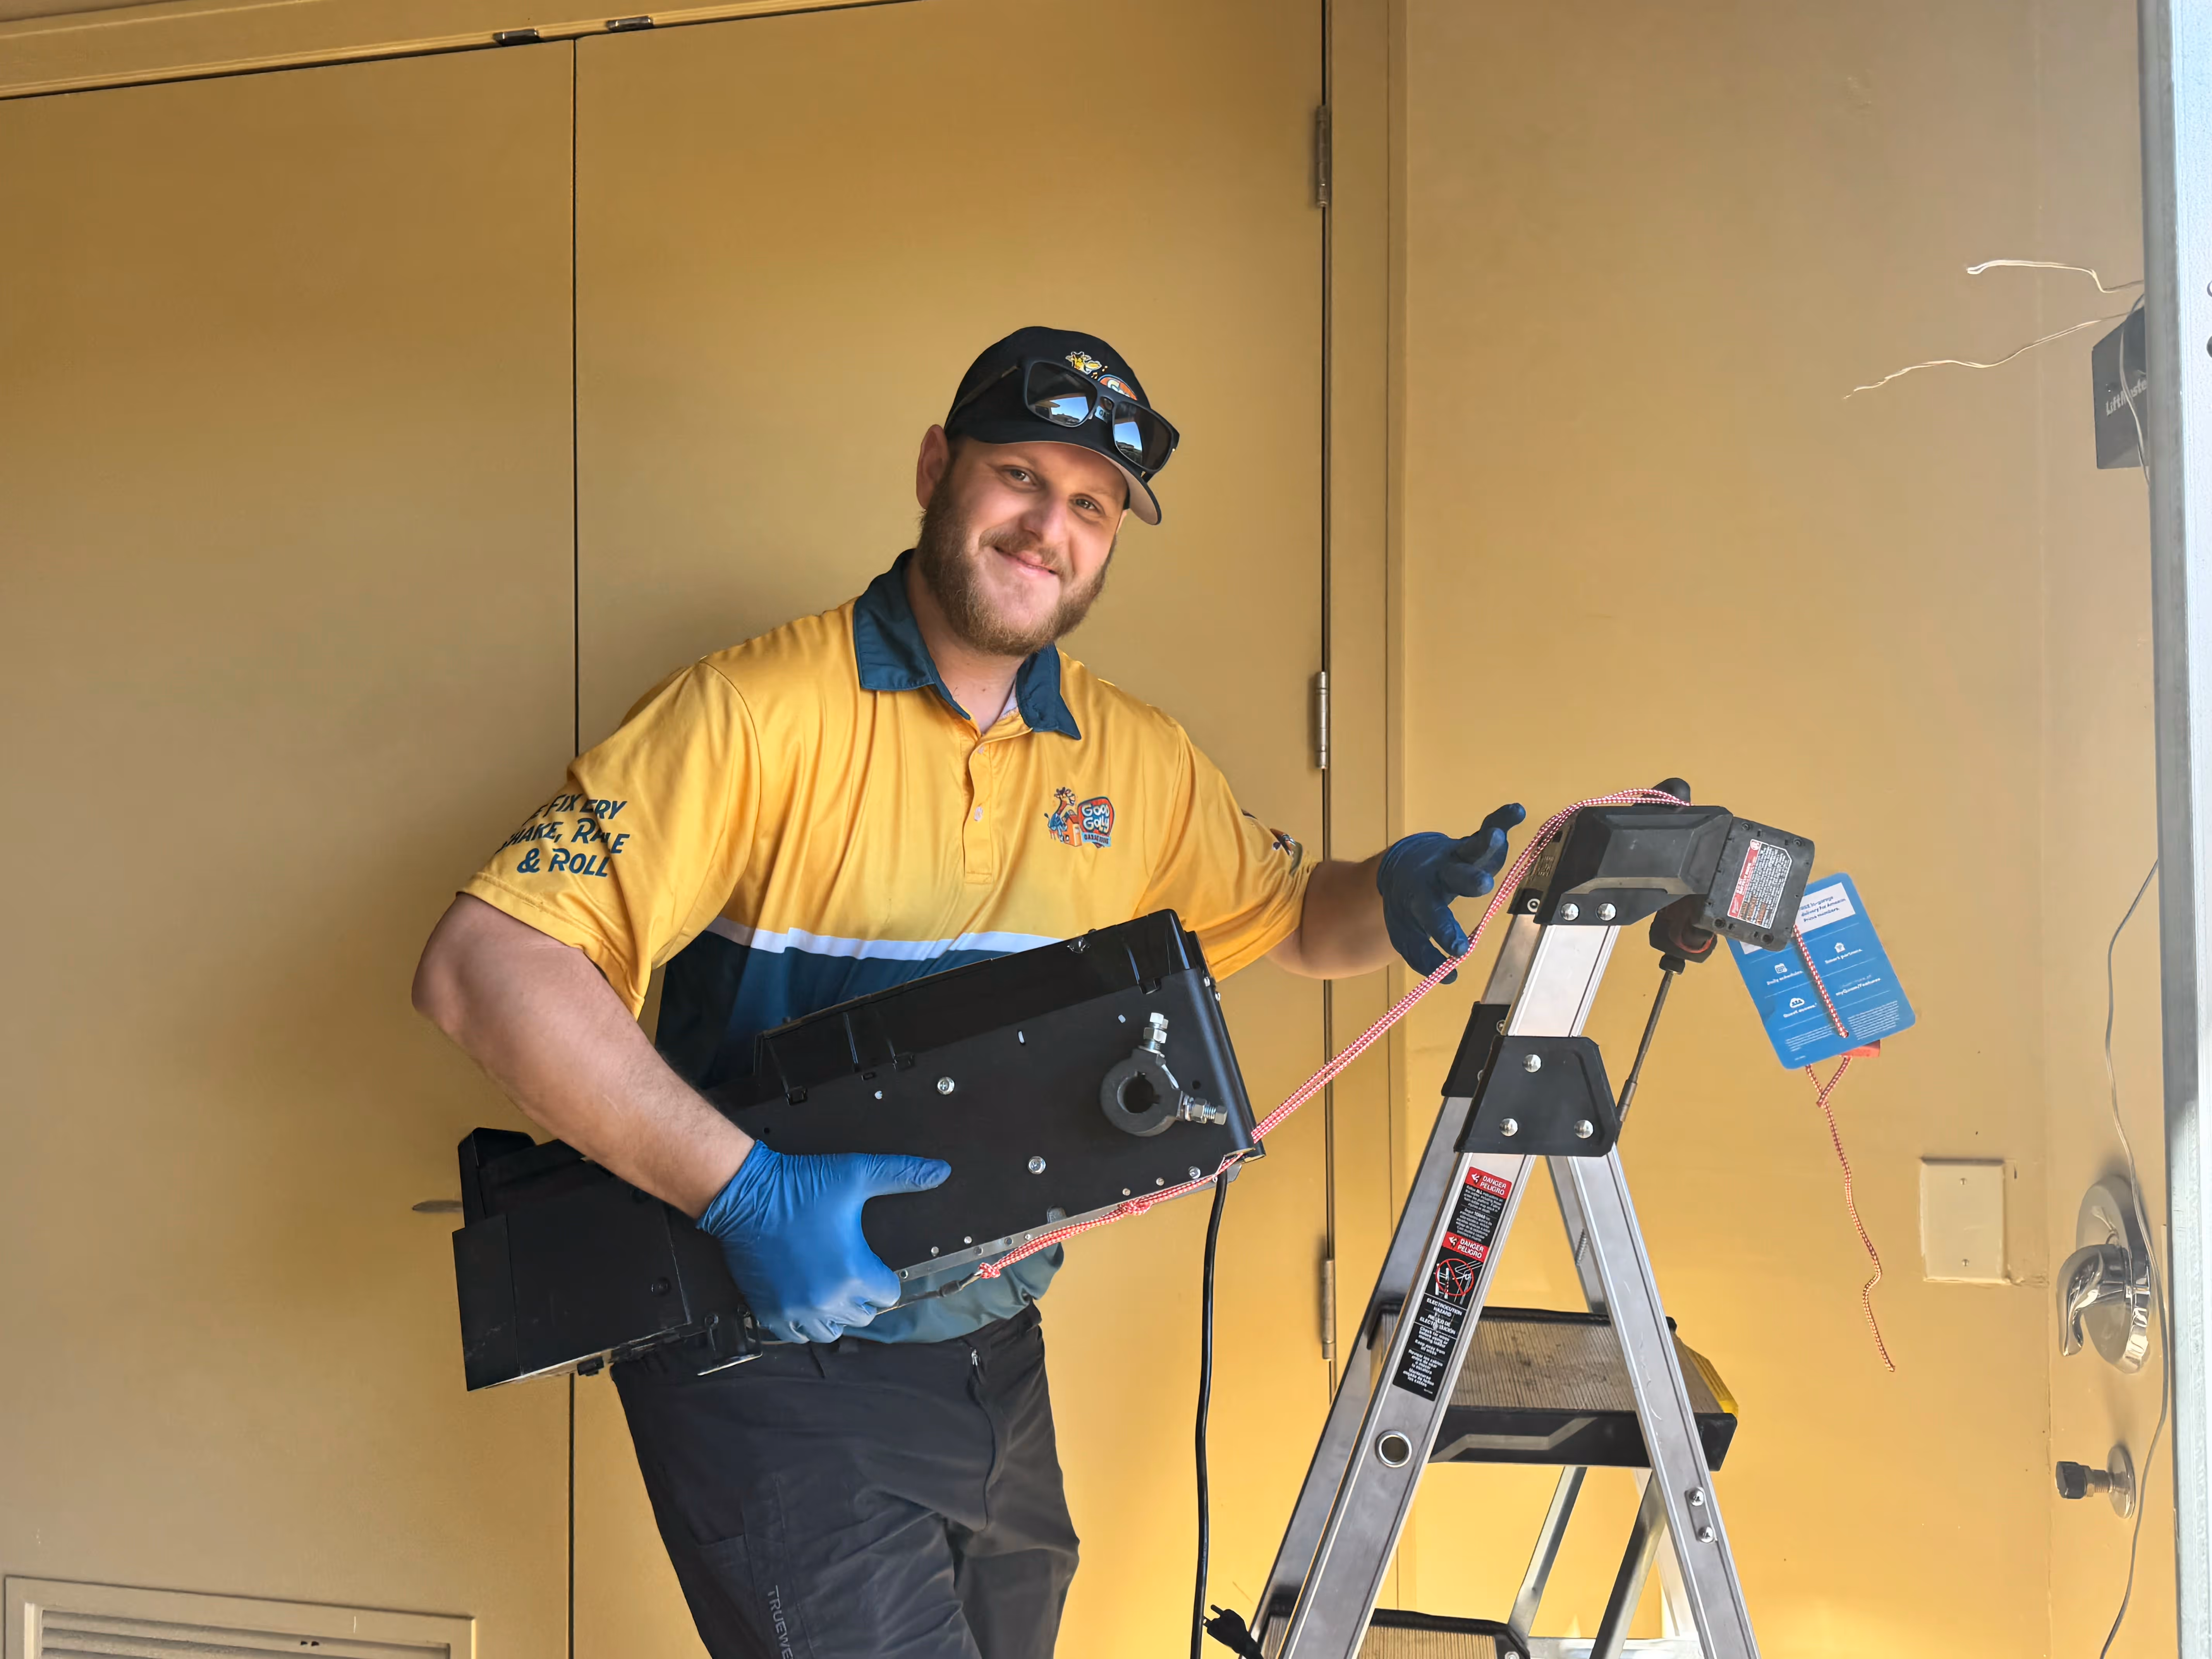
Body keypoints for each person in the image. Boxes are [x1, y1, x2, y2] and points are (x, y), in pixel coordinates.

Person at [412, 325, 1522, 1659]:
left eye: (1092, 506)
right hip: (773, 1355)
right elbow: (488, 966)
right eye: (1020, 476)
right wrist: (746, 1192)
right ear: (938, 468)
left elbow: (1291, 917)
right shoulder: (758, 712)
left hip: (995, 1359)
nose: (1051, 527)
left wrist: (1389, 894)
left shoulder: (1135, 760)